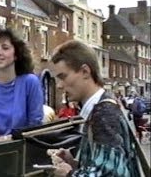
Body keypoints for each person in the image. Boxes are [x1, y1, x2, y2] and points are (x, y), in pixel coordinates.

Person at [48, 40, 139, 176]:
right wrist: (74, 164)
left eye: (63, 77)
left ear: (85, 71)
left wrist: (67, 174)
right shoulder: (102, 107)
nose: (59, 85)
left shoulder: (103, 113)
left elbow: (111, 173)